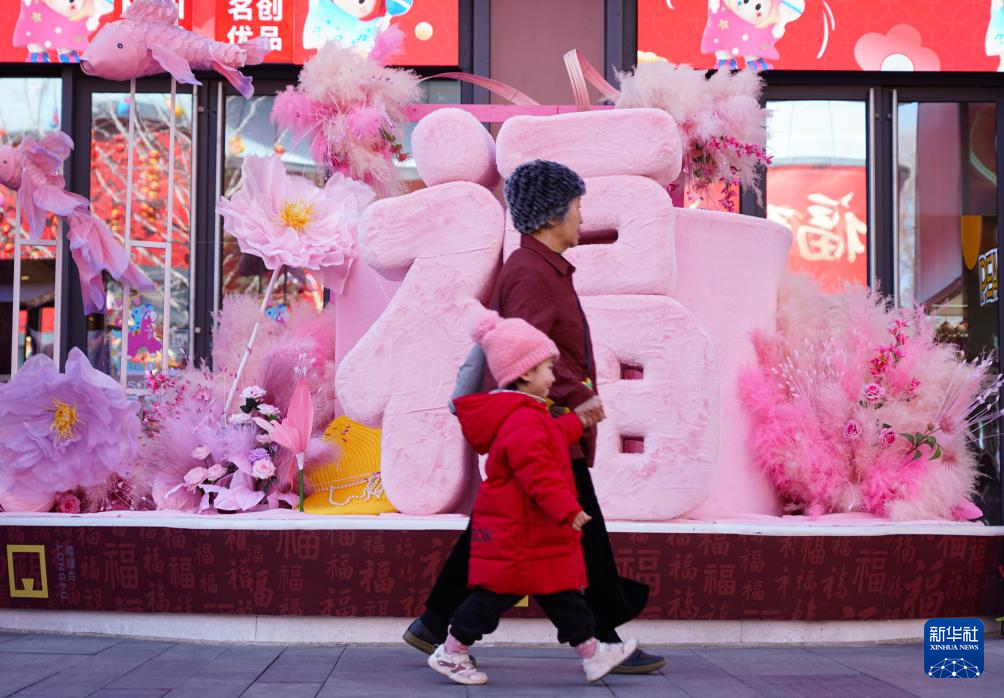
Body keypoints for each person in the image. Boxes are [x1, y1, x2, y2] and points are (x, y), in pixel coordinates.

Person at [406, 159, 664, 674]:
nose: (582, 217)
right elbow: (525, 351)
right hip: (545, 427)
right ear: (551, 215)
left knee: (502, 527)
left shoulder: (545, 268)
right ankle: (603, 639)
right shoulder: (529, 272)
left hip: (549, 424)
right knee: (582, 532)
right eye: (576, 207)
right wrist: (576, 400)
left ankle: (434, 624)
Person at [427, 308, 637, 685]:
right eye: (548, 368)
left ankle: (592, 654)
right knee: (493, 597)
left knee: (563, 594)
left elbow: (550, 437)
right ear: (525, 374)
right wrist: (568, 510)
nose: (553, 377)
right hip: (517, 536)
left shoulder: (526, 413)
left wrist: (578, 421)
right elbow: (537, 473)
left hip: (528, 533)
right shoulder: (522, 419)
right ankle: (451, 652)